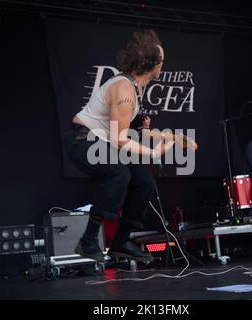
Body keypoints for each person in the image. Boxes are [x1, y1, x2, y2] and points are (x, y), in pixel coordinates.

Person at [63, 30, 174, 262]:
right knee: (119, 173)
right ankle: (88, 241)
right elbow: (119, 139)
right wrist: (153, 153)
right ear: (152, 63)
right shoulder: (124, 88)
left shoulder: (135, 88)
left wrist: (145, 130)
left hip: (101, 142)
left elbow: (122, 133)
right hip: (83, 141)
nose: (163, 65)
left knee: (144, 181)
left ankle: (121, 242)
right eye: (162, 60)